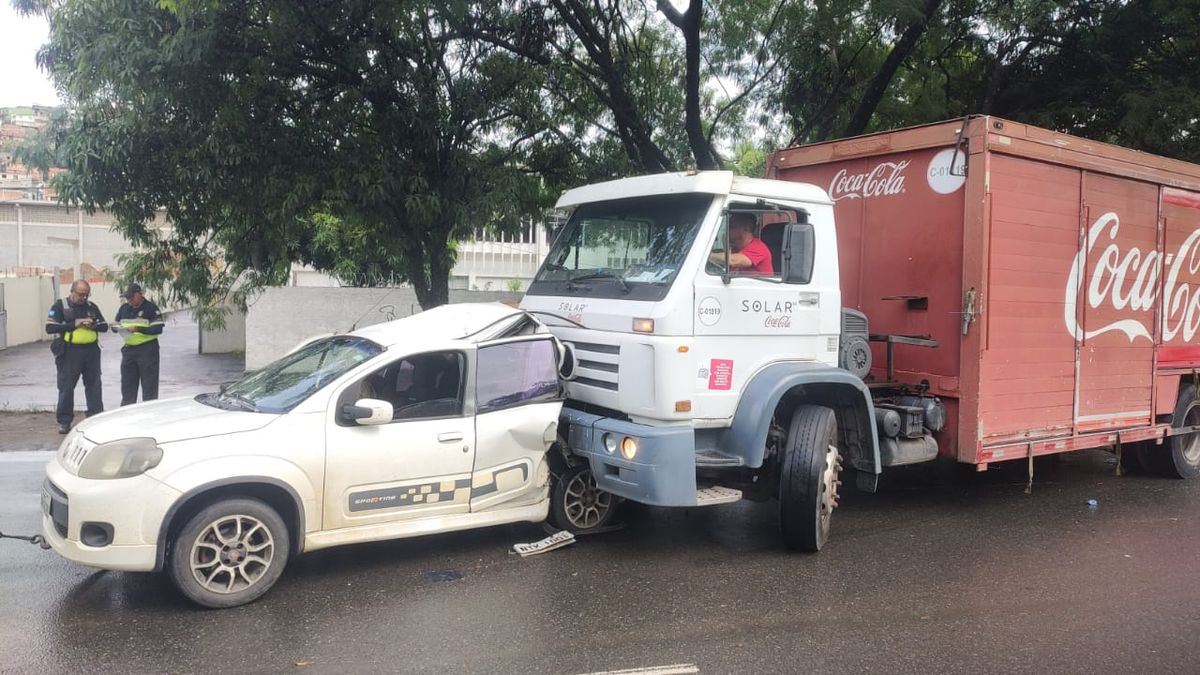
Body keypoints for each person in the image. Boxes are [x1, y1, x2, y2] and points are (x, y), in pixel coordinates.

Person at [45, 280, 109, 434]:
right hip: (70, 352)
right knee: (66, 387)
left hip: (91, 352)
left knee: (94, 385)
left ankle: (95, 416)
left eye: (86, 294)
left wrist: (93, 325)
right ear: (72, 291)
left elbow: (105, 326)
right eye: (81, 294)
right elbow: (50, 327)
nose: (84, 297)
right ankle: (64, 421)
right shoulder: (60, 306)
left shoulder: (91, 307)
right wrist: (74, 324)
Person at [113, 282, 165, 406]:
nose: (129, 300)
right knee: (127, 385)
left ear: (139, 294)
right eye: (127, 297)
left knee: (149, 386)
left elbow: (158, 329)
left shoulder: (151, 308)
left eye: (131, 297)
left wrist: (138, 329)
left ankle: (149, 413)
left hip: (147, 350)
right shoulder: (124, 308)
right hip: (129, 350)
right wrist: (116, 328)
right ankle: (127, 412)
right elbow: (116, 323)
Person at [709, 212, 774, 275]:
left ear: (746, 229)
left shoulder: (758, 247)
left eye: (731, 227)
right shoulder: (736, 249)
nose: (727, 230)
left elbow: (732, 261)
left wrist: (707, 256)